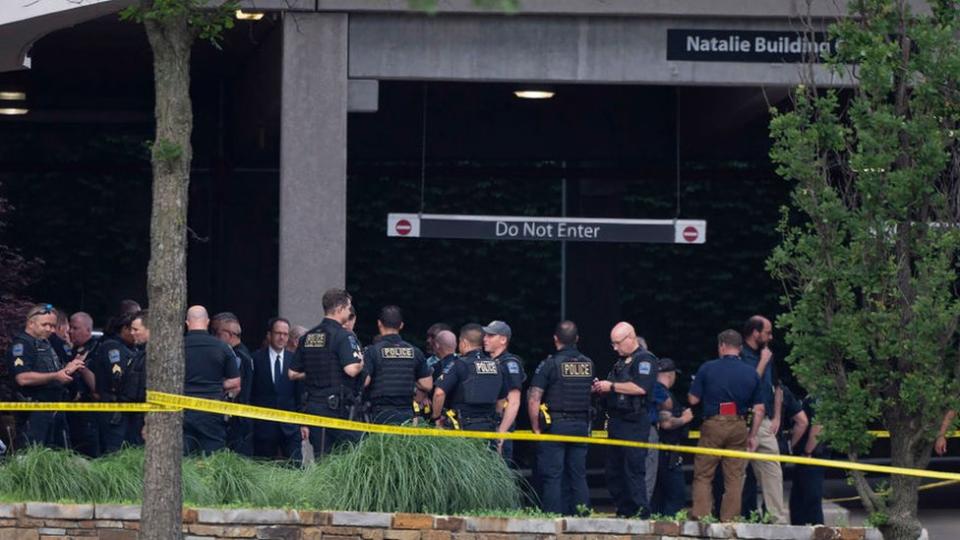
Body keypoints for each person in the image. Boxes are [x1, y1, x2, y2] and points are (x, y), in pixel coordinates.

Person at [688, 329, 764, 522]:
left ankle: (702, 517)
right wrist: (753, 435)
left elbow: (693, 399)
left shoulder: (707, 368)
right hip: (739, 425)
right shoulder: (751, 373)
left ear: (722, 346)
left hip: (714, 423)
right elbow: (760, 409)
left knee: (704, 474)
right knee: (734, 477)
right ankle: (729, 520)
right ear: (739, 349)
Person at [592, 321, 658, 518]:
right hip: (616, 421)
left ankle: (640, 512)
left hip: (634, 423)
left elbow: (640, 388)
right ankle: (624, 509)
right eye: (612, 344)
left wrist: (610, 386)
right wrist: (600, 389)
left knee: (633, 470)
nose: (614, 348)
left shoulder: (645, 360)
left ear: (630, 338)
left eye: (617, 343)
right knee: (613, 471)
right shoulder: (620, 363)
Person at [528, 320, 594, 515]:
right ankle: (582, 518)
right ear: (577, 339)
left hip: (555, 426)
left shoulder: (550, 364)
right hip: (581, 426)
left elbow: (534, 398)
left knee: (553, 476)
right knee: (578, 476)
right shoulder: (588, 364)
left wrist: (536, 428)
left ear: (555, 339)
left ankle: (553, 518)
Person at [288, 288, 364, 456]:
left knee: (322, 460)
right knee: (347, 460)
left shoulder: (308, 336)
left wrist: (317, 372)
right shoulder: (343, 336)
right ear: (339, 309)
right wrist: (361, 361)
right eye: (348, 307)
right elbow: (351, 370)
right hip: (338, 410)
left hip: (314, 409)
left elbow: (292, 373)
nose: (349, 310)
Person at [9, 304, 86, 448]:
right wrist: (56, 376)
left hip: (53, 408)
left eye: (52, 325)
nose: (50, 329)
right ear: (31, 323)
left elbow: (53, 373)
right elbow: (22, 378)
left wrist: (67, 370)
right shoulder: (22, 345)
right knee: (31, 458)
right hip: (33, 412)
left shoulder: (45, 343)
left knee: (59, 457)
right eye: (45, 325)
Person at [739, 315, 787, 524]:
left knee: (773, 470)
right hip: (745, 419)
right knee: (738, 471)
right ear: (755, 333)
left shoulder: (767, 354)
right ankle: (731, 514)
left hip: (766, 420)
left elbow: (777, 386)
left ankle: (776, 517)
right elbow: (747, 385)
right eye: (767, 332)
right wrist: (763, 362)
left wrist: (777, 416)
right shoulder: (740, 354)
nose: (770, 336)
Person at [183, 305, 241, 455]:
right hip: (212, 411)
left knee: (183, 460)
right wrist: (217, 385)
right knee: (212, 460)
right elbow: (235, 383)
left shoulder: (177, 346)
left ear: (187, 323)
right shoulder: (223, 347)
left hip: (181, 410)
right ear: (207, 322)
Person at [363, 306, 432, 425]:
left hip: (380, 413)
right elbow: (427, 385)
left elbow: (364, 382)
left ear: (379, 324)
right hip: (406, 412)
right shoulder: (414, 352)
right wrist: (410, 378)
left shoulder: (372, 351)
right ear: (401, 325)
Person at [431, 323, 503, 433]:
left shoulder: (459, 364)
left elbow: (439, 393)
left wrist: (436, 418)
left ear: (464, 343)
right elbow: (501, 399)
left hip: (463, 427)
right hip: (489, 427)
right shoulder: (497, 365)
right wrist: (497, 421)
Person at [250, 317, 302, 461]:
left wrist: (303, 424)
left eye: (285, 334)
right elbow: (251, 393)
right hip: (263, 428)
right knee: (263, 469)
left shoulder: (296, 360)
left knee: (295, 468)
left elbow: (300, 394)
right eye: (278, 333)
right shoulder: (255, 359)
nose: (281, 337)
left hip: (290, 427)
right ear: (269, 335)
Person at [650, 357, 693, 516]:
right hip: (667, 454)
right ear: (671, 374)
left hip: (660, 453)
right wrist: (685, 419)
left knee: (659, 497)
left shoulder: (656, 390)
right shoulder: (663, 394)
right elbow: (666, 423)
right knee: (676, 496)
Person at [91, 311, 137, 454]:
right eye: (132, 330)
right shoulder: (113, 347)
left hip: (124, 409)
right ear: (124, 329)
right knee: (114, 450)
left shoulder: (131, 348)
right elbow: (117, 376)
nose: (135, 334)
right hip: (113, 408)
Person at [214, 314, 255, 456]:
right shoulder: (246, 353)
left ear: (229, 334)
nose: (214, 337)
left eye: (217, 333)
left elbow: (235, 387)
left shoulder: (235, 356)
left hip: (236, 419)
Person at [483, 320, 525, 459]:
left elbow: (514, 402)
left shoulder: (510, 364)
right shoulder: (487, 362)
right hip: (486, 426)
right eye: (485, 335)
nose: (485, 339)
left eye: (490, 336)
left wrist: (501, 433)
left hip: (500, 427)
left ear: (503, 340)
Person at [65, 311, 99, 456]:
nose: (71, 332)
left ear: (88, 330)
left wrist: (81, 366)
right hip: (70, 411)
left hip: (90, 412)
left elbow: (98, 386)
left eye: (75, 328)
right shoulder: (69, 350)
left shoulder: (98, 349)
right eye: (70, 328)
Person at [789, 394, 825, 525]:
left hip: (812, 456)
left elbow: (818, 426)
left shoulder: (818, 398)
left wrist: (807, 451)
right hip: (808, 456)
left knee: (811, 498)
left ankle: (817, 530)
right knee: (798, 500)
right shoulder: (811, 397)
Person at [120, 310, 150, 445]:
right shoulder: (139, 354)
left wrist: (148, 422)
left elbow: (151, 392)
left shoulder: (153, 357)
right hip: (132, 416)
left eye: (136, 329)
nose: (132, 333)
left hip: (143, 417)